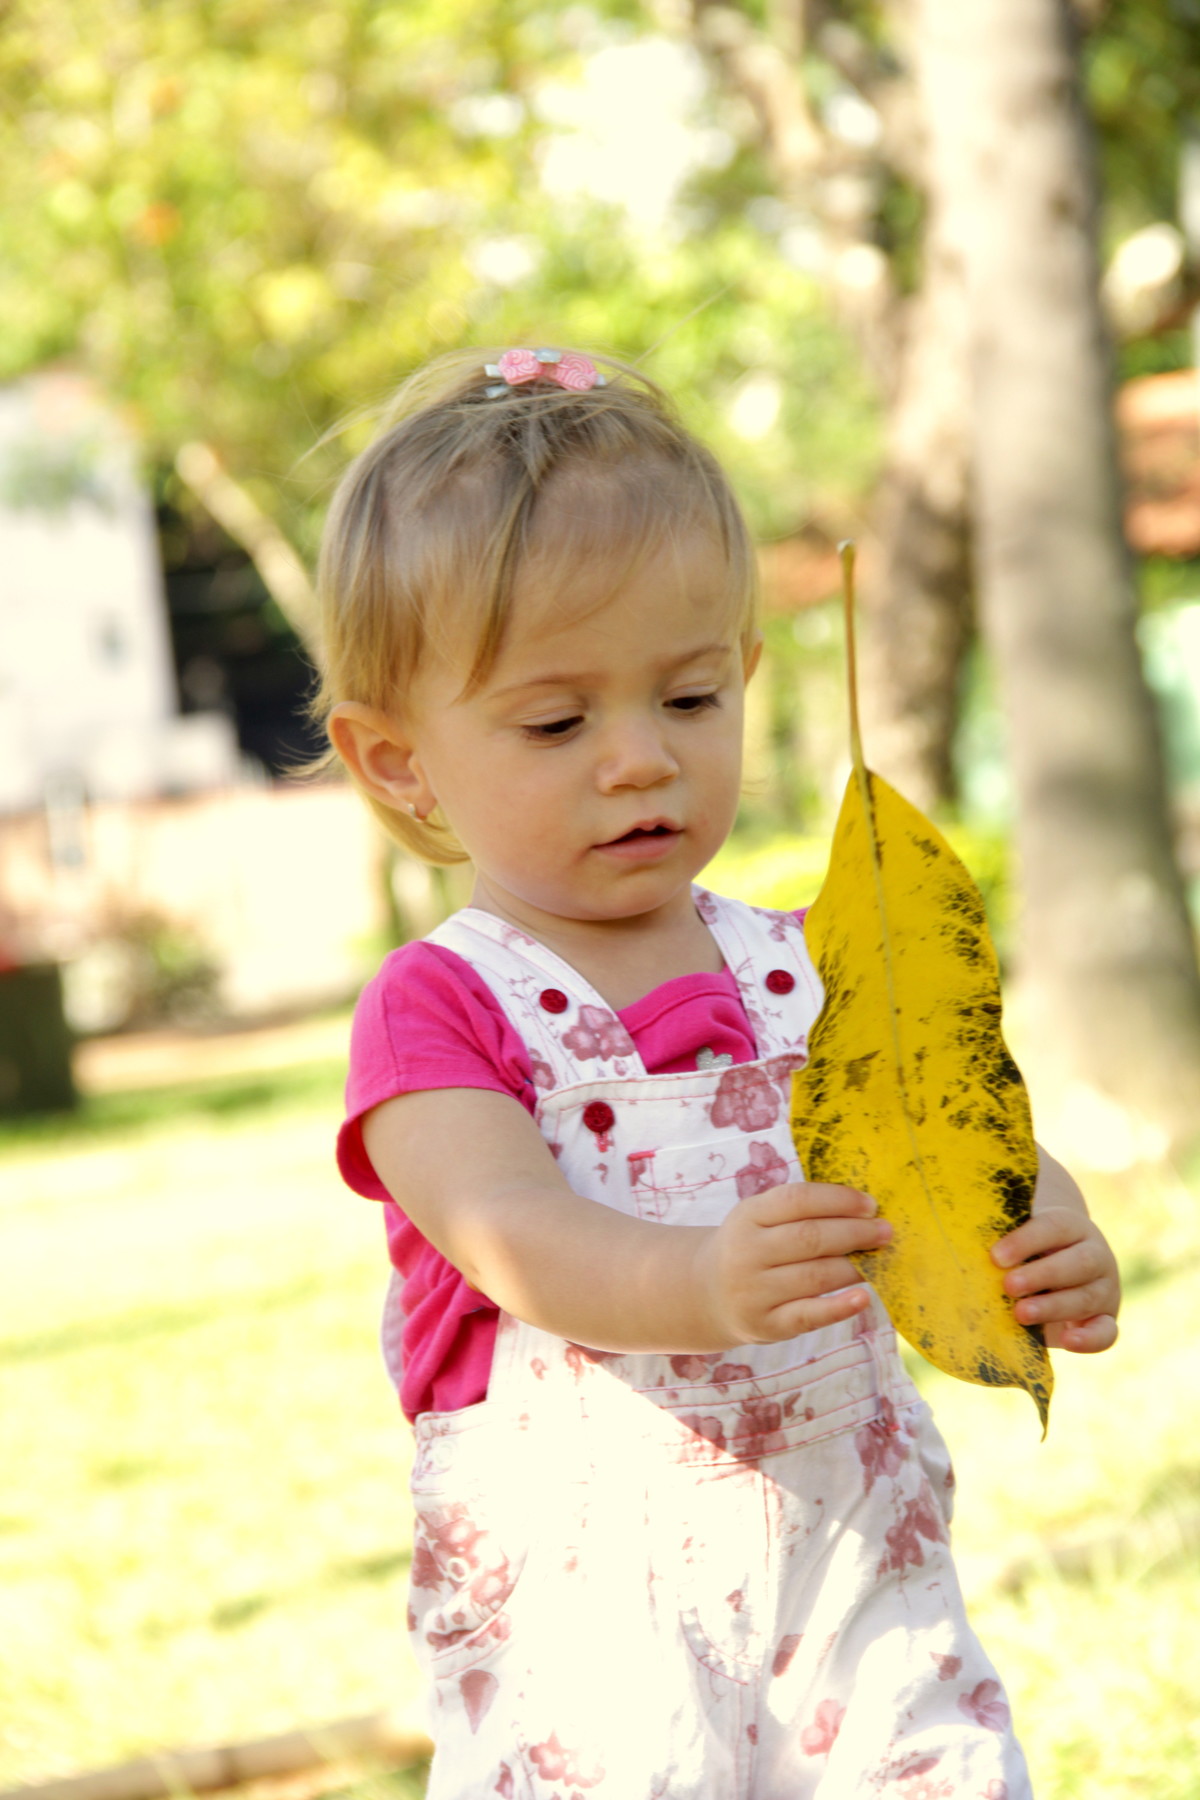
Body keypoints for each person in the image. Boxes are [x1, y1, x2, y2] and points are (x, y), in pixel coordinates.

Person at [318, 346, 1120, 1800]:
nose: (638, 761)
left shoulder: (821, 960)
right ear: (398, 762)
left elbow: (945, 1133)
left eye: (688, 701)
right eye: (557, 723)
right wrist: (697, 1287)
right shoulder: (439, 1008)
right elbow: (513, 1237)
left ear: (745, 676)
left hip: (855, 1553)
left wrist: (1038, 1225)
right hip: (594, 1608)